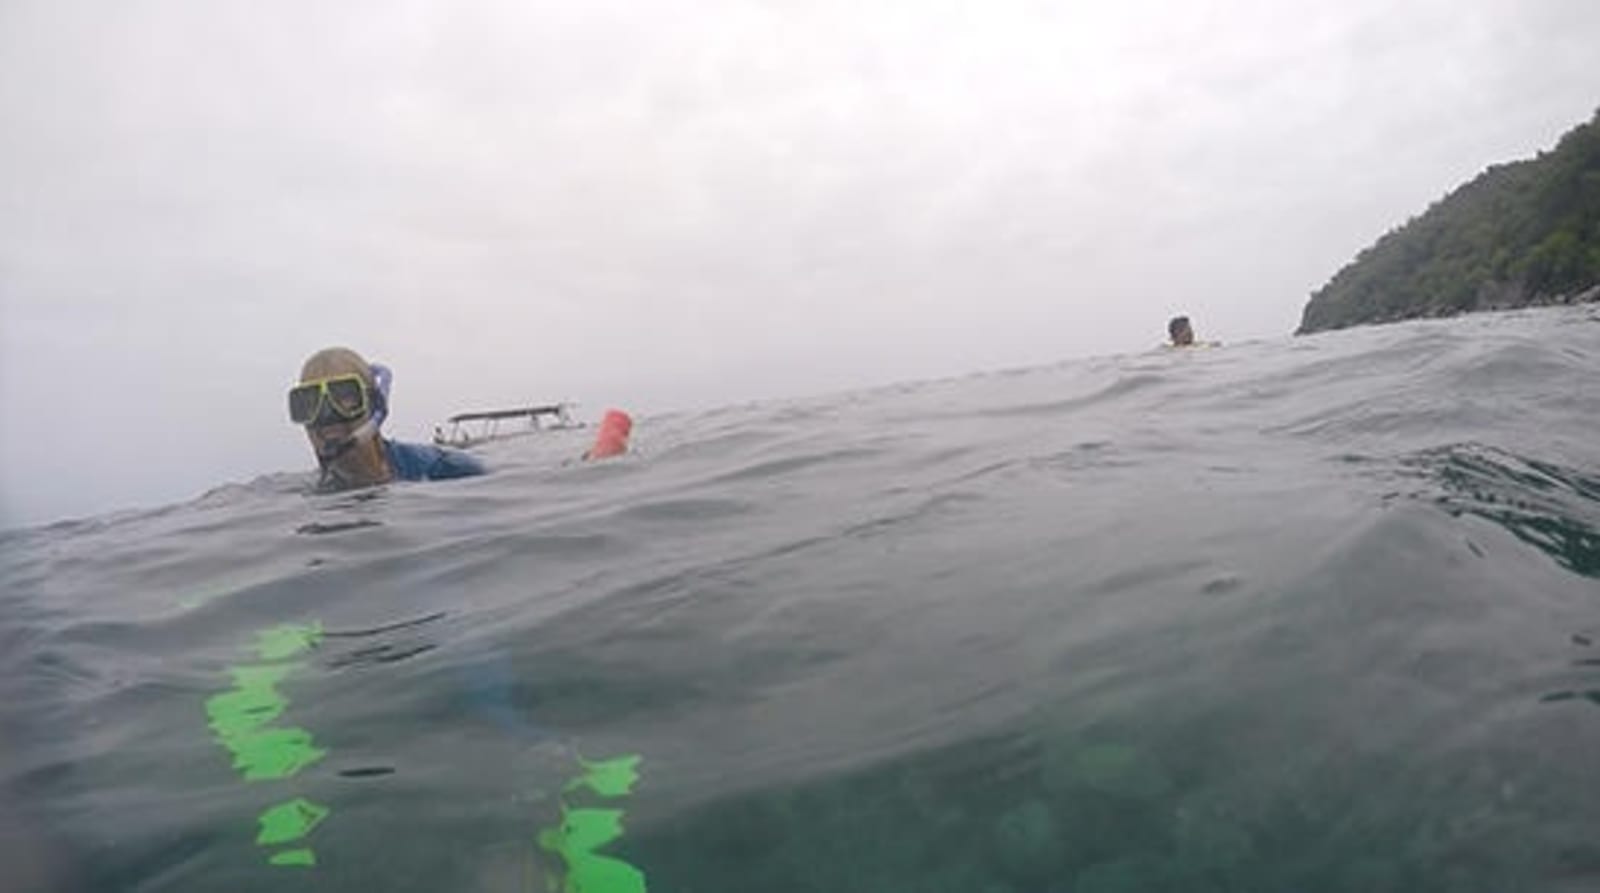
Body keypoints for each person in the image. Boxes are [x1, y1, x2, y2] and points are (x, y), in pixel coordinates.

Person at [289, 347, 487, 491]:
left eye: (344, 397)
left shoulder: (448, 469)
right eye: (309, 403)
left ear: (375, 406)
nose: (326, 418)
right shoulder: (313, 496)